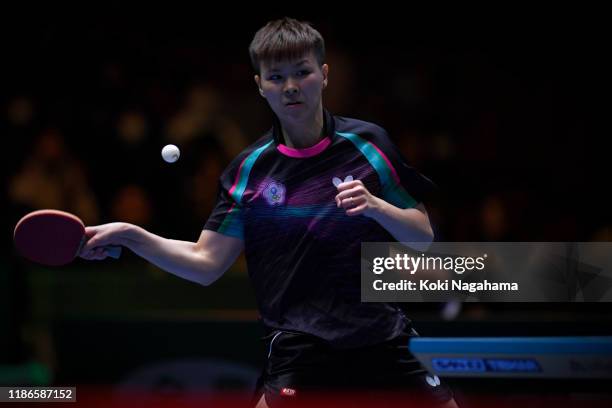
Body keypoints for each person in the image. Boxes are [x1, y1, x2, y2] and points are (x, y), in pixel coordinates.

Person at [81, 17, 458, 408]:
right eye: (276, 77)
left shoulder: (369, 145)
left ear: (324, 74)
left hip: (382, 339)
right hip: (300, 347)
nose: (291, 86)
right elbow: (205, 262)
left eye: (303, 72)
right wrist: (129, 234)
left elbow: (424, 238)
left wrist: (377, 207)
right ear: (260, 85)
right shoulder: (249, 171)